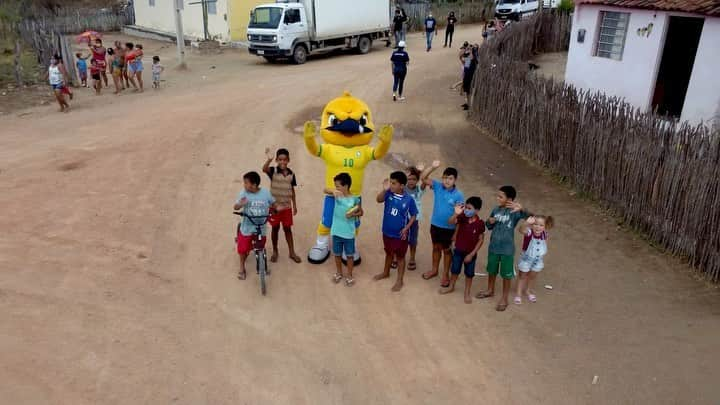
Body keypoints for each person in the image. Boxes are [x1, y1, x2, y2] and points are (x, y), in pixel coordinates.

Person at [476, 185, 530, 312]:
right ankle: (490, 290)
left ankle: (504, 297)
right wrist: (489, 221)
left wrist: (522, 209)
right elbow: (488, 226)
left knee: (506, 274)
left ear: (510, 199)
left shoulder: (515, 212)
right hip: (494, 247)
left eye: (501, 196)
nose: (498, 198)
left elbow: (531, 218)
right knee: (492, 270)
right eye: (498, 196)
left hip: (507, 249)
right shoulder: (495, 210)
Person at [421, 160, 464, 288]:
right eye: (445, 178)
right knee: (435, 248)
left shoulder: (459, 195)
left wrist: (456, 232)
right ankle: (434, 270)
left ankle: (445, 274)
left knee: (446, 251)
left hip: (449, 228)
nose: (447, 181)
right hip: (435, 225)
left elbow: (460, 215)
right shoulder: (438, 186)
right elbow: (423, 178)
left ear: (455, 180)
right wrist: (432, 167)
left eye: (450, 178)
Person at [373, 171, 417, 292]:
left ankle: (399, 280)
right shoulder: (388, 193)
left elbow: (413, 215)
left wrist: (406, 228)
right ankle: (386, 273)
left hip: (400, 235)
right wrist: (384, 189)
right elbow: (378, 199)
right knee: (388, 253)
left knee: (400, 257)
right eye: (390, 182)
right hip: (386, 231)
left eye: (393, 183)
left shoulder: (409, 200)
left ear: (402, 186)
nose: (391, 185)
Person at [440, 197, 485, 304]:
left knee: (469, 274)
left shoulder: (480, 224)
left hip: (470, 254)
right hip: (458, 250)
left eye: (469, 208)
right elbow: (450, 221)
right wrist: (456, 213)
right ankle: (451, 287)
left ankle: (467, 292)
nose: (466, 210)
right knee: (455, 270)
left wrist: (472, 254)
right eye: (466, 207)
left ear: (477, 210)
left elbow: (481, 239)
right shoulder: (462, 217)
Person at [262, 147, 302, 264]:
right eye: (280, 160)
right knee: (275, 229)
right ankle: (275, 251)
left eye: (285, 160)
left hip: (286, 208)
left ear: (288, 160)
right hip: (274, 208)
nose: (282, 162)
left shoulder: (291, 174)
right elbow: (264, 169)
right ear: (277, 160)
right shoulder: (272, 171)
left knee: (287, 229)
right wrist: (269, 159)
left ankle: (292, 252)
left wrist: (294, 205)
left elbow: (292, 190)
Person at [233, 171, 275, 281]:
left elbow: (273, 204)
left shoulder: (265, 193)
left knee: (260, 246)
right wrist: (240, 205)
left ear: (254, 185)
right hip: (247, 226)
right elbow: (236, 207)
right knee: (242, 249)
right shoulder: (244, 194)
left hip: (261, 226)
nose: (244, 185)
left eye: (246, 183)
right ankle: (242, 268)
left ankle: (262, 265)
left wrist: (275, 210)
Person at [327, 173, 362, 287]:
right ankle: (339, 273)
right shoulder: (337, 195)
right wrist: (333, 191)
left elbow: (361, 212)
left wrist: (353, 214)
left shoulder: (355, 199)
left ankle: (350, 275)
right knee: (337, 254)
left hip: (348, 234)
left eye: (338, 186)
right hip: (336, 232)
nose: (336, 188)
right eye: (335, 186)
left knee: (350, 256)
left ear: (346, 186)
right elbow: (325, 190)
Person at [515, 215, 553, 304]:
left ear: (545, 227)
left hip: (538, 260)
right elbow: (521, 229)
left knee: (532, 277)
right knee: (522, 276)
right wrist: (526, 223)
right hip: (526, 259)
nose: (538, 227)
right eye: (535, 224)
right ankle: (518, 293)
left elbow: (544, 246)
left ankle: (528, 291)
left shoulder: (545, 235)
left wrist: (541, 256)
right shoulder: (529, 232)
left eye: (541, 225)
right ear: (532, 225)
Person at [405, 165, 427, 271]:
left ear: (417, 180)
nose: (411, 181)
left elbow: (425, 180)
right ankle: (397, 256)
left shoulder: (419, 190)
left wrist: (422, 172)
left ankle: (412, 258)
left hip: (414, 220)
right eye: (409, 179)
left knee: (413, 240)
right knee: (400, 237)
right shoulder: (402, 189)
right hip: (402, 218)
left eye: (414, 179)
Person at [461, 44, 478, 110]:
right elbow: (465, 65)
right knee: (467, 91)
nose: (467, 50)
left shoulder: (472, 58)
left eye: (469, 49)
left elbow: (466, 63)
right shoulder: (471, 58)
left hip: (470, 77)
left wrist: (467, 52)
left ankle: (469, 105)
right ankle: (468, 104)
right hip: (468, 76)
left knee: (469, 92)